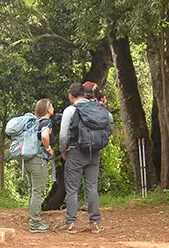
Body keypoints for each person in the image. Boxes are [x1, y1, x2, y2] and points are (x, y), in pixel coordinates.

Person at [59, 82, 113, 234]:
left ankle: (71, 223)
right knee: (92, 187)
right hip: (94, 151)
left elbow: (63, 135)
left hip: (75, 152)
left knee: (72, 189)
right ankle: (95, 223)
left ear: (71, 96)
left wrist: (63, 150)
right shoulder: (97, 108)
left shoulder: (70, 110)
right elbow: (109, 119)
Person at [26, 99, 56, 233]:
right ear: (48, 109)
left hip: (28, 160)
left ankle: (33, 219)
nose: (53, 108)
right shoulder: (46, 122)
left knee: (32, 191)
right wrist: (48, 148)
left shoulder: (33, 122)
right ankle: (35, 224)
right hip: (39, 160)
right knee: (37, 192)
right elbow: (44, 136)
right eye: (51, 106)